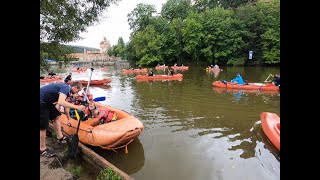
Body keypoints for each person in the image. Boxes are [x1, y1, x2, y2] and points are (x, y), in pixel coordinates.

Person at [40, 82, 86, 157]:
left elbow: (66, 106)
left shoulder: (68, 92)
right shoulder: (66, 88)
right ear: (75, 87)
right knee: (43, 126)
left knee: (57, 116)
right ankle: (42, 149)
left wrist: (69, 119)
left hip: (48, 102)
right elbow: (61, 102)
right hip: (41, 101)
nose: (78, 93)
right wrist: (77, 107)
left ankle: (60, 137)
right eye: (78, 91)